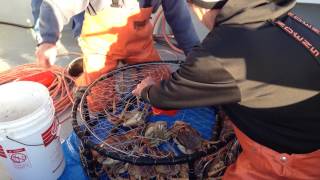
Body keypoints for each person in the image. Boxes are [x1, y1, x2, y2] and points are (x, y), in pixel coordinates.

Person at [133, 0, 320, 179]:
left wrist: (146, 90)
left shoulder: (222, 48)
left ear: (199, 7)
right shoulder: (273, 14)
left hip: (296, 157)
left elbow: (167, 96)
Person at [35, 0, 200, 86]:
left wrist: (195, 55)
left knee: (162, 83)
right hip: (100, 47)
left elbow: (181, 21)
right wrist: (48, 41)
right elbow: (55, 5)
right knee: (97, 97)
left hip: (140, 46)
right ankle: (83, 78)